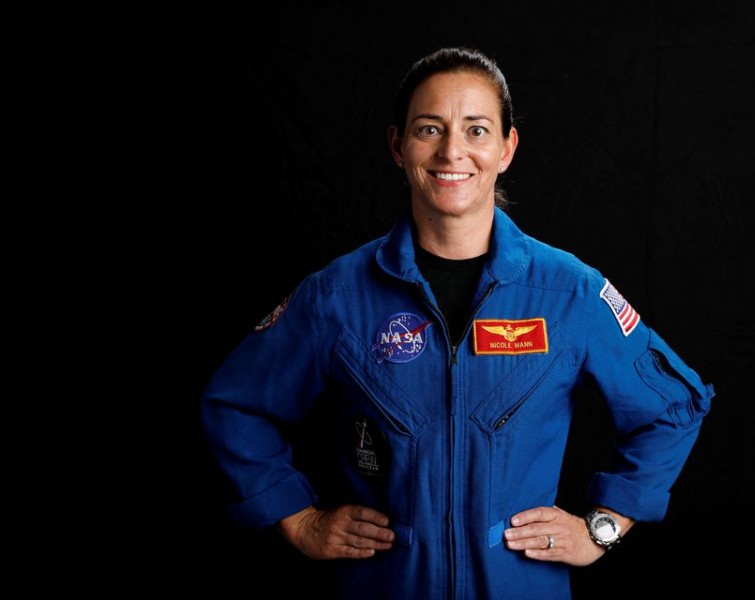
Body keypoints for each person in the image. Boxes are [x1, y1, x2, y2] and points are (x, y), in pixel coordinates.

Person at [201, 46, 714, 599]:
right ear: (398, 146)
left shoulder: (569, 292)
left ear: (506, 147)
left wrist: (603, 527)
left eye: (476, 130)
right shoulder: (336, 296)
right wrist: (299, 520)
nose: (452, 152)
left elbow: (673, 406)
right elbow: (236, 405)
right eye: (429, 129)